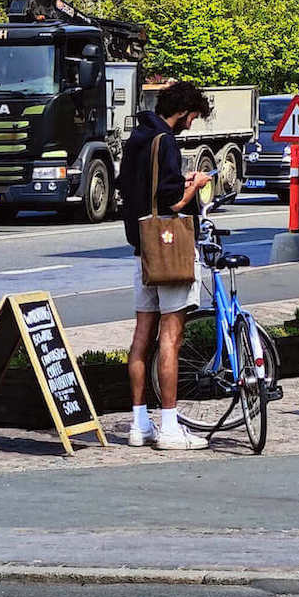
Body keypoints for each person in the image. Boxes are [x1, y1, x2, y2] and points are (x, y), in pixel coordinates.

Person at [120, 81, 213, 451]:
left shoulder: (137, 138)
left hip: (142, 248)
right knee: (171, 340)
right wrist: (197, 184)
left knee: (142, 337)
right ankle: (171, 427)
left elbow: (136, 191)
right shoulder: (167, 142)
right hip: (170, 249)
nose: (190, 124)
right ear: (183, 110)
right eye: (191, 117)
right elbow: (172, 201)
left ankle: (138, 424)